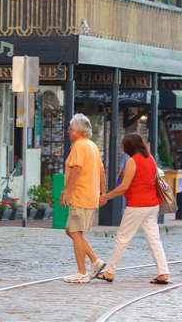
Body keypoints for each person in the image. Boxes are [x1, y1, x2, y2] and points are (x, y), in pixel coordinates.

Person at [98, 133, 170, 285]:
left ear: (129, 147)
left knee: (122, 238)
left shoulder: (132, 161)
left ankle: (110, 272)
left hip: (138, 204)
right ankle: (163, 272)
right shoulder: (150, 158)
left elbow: (124, 186)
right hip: (152, 204)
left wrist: (107, 196)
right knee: (154, 239)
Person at [59, 114, 106, 284]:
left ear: (78, 131)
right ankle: (95, 261)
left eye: (70, 129)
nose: (68, 131)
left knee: (76, 232)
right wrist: (102, 192)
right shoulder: (93, 146)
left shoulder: (79, 146)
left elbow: (76, 170)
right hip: (90, 195)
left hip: (79, 195)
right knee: (70, 230)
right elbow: (101, 171)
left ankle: (82, 273)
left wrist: (65, 192)